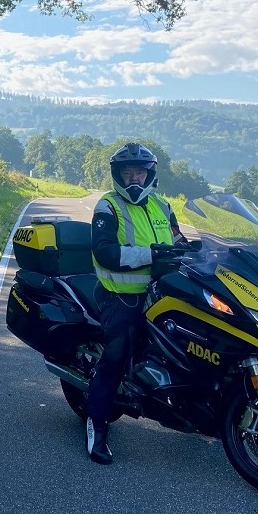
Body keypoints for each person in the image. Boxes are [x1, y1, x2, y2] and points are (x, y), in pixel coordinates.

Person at [86, 142, 186, 465]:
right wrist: (151, 255)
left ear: (149, 175)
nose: (134, 179)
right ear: (118, 174)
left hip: (161, 295)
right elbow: (105, 252)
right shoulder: (108, 207)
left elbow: (179, 240)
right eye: (127, 173)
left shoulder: (163, 206)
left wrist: (201, 252)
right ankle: (97, 426)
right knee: (117, 354)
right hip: (121, 298)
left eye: (140, 173)